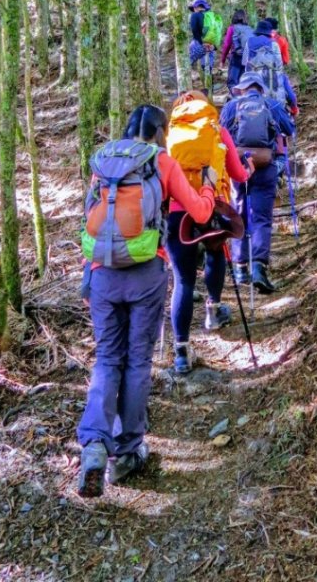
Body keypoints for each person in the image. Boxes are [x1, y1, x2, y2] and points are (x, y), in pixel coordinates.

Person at [77, 104, 217, 499]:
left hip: (102, 273)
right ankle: (127, 452)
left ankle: (94, 445)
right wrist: (208, 183)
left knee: (107, 357)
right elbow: (201, 211)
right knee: (137, 360)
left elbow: (91, 216)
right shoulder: (163, 163)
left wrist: (90, 272)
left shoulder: (104, 161)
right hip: (145, 275)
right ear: (160, 132)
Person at [165, 91, 253, 374]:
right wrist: (248, 169)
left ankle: (181, 351)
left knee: (183, 281)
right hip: (211, 205)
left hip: (177, 213)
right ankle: (213, 311)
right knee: (216, 254)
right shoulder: (217, 131)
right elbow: (238, 174)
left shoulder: (170, 136)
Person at [220, 72, 295, 294]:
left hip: (238, 165)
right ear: (260, 88)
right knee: (262, 217)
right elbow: (289, 129)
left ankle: (240, 267)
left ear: (243, 88)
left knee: (238, 213)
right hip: (265, 165)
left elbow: (220, 134)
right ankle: (259, 268)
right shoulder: (271, 105)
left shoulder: (231, 107)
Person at [243, 19, 284, 97]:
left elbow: (245, 62)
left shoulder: (249, 42)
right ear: (269, 32)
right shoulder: (273, 43)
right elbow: (279, 65)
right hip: (269, 77)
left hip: (253, 77)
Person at [220, 9, 254, 93]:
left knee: (232, 82)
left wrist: (222, 60)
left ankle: (236, 102)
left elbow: (227, 44)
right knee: (243, 82)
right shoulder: (249, 29)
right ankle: (244, 102)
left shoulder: (232, 28)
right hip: (248, 58)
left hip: (236, 57)